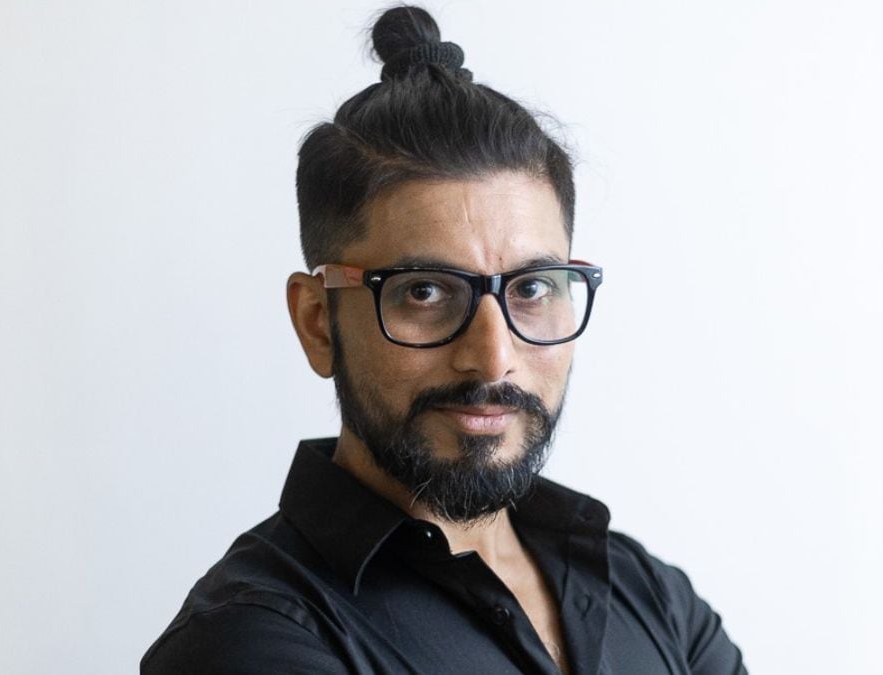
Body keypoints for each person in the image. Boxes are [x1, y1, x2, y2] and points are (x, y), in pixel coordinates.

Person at [141, 6, 746, 674]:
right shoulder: (249, 641)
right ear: (318, 321)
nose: (492, 358)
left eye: (532, 287)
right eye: (425, 291)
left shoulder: (655, 597)